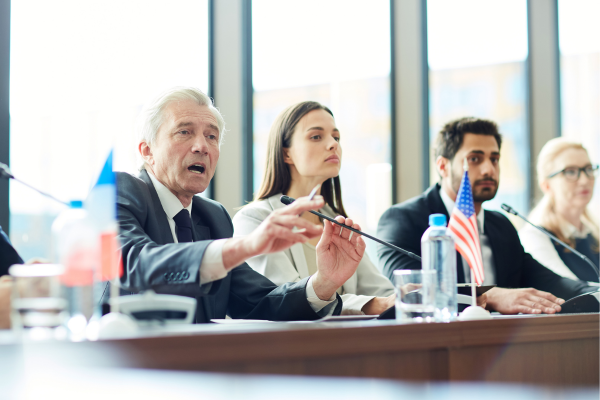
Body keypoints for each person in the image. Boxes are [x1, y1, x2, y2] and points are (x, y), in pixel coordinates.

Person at [113, 87, 366, 323]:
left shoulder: (213, 216)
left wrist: (324, 282)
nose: (202, 146)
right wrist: (247, 245)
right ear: (147, 151)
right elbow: (133, 262)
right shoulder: (121, 191)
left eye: (211, 136)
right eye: (184, 132)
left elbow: (259, 303)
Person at [377, 117, 594, 315]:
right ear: (443, 166)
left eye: (494, 159)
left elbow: (548, 280)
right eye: (474, 159)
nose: (488, 169)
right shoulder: (401, 220)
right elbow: (412, 290)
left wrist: (594, 292)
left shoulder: (500, 224)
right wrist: (490, 296)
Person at [232, 101, 395, 315]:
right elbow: (284, 300)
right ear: (286, 154)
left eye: (336, 137)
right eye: (316, 136)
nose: (333, 144)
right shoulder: (255, 220)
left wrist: (406, 294)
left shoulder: (338, 221)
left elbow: (381, 292)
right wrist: (368, 304)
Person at [519, 138, 599, 283]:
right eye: (570, 172)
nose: (584, 180)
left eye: (588, 169)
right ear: (546, 185)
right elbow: (571, 291)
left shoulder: (594, 233)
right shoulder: (536, 236)